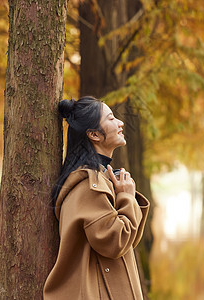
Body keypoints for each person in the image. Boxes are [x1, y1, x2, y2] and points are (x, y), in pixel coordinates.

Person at [43, 96, 150, 300]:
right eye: (111, 119)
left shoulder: (97, 178)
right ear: (94, 134)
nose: (120, 123)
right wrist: (127, 198)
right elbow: (115, 242)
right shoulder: (88, 186)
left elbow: (128, 240)